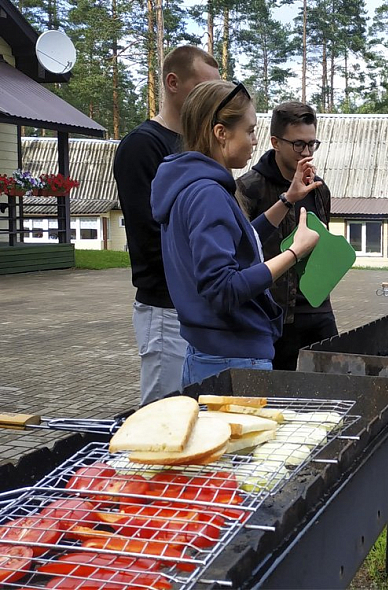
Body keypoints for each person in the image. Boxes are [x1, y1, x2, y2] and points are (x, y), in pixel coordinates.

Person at [150, 80, 321, 388]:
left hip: (211, 355)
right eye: (250, 130)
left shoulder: (189, 185)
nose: (255, 141)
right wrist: (294, 253)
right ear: (221, 133)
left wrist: (286, 201)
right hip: (233, 360)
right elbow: (223, 288)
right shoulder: (208, 194)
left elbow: (240, 241)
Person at [113, 46, 220, 406]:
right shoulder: (142, 147)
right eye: (202, 88)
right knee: (162, 419)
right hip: (166, 310)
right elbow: (150, 238)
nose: (211, 99)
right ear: (172, 83)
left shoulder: (199, 148)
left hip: (198, 307)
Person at [236, 102, 337, 370]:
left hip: (318, 308)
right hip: (272, 316)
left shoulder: (318, 188)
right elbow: (241, 249)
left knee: (332, 388)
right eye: (298, 144)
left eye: (312, 144)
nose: (306, 153)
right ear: (275, 142)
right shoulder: (247, 188)